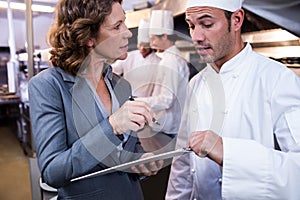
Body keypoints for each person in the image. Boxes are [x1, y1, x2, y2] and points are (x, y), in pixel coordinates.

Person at [28, 0, 163, 199]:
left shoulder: (120, 85)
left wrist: (141, 161)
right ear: (89, 37)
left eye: (124, 23)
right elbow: (53, 172)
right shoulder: (49, 86)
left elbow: (130, 149)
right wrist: (112, 126)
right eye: (117, 26)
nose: (128, 33)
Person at [166, 0, 300, 199]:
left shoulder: (278, 79)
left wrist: (228, 152)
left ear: (236, 20)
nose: (196, 37)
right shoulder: (197, 83)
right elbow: (183, 166)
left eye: (207, 24)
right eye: (191, 26)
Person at [136, 10, 190, 152]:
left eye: (153, 38)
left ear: (164, 36)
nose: (151, 42)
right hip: (169, 126)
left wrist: (137, 102)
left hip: (169, 128)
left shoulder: (170, 61)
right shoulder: (170, 58)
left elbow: (166, 99)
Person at [112, 18, 161, 97]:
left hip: (145, 102)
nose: (142, 48)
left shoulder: (158, 62)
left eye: (145, 46)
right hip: (125, 99)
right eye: (140, 44)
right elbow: (112, 71)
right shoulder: (129, 57)